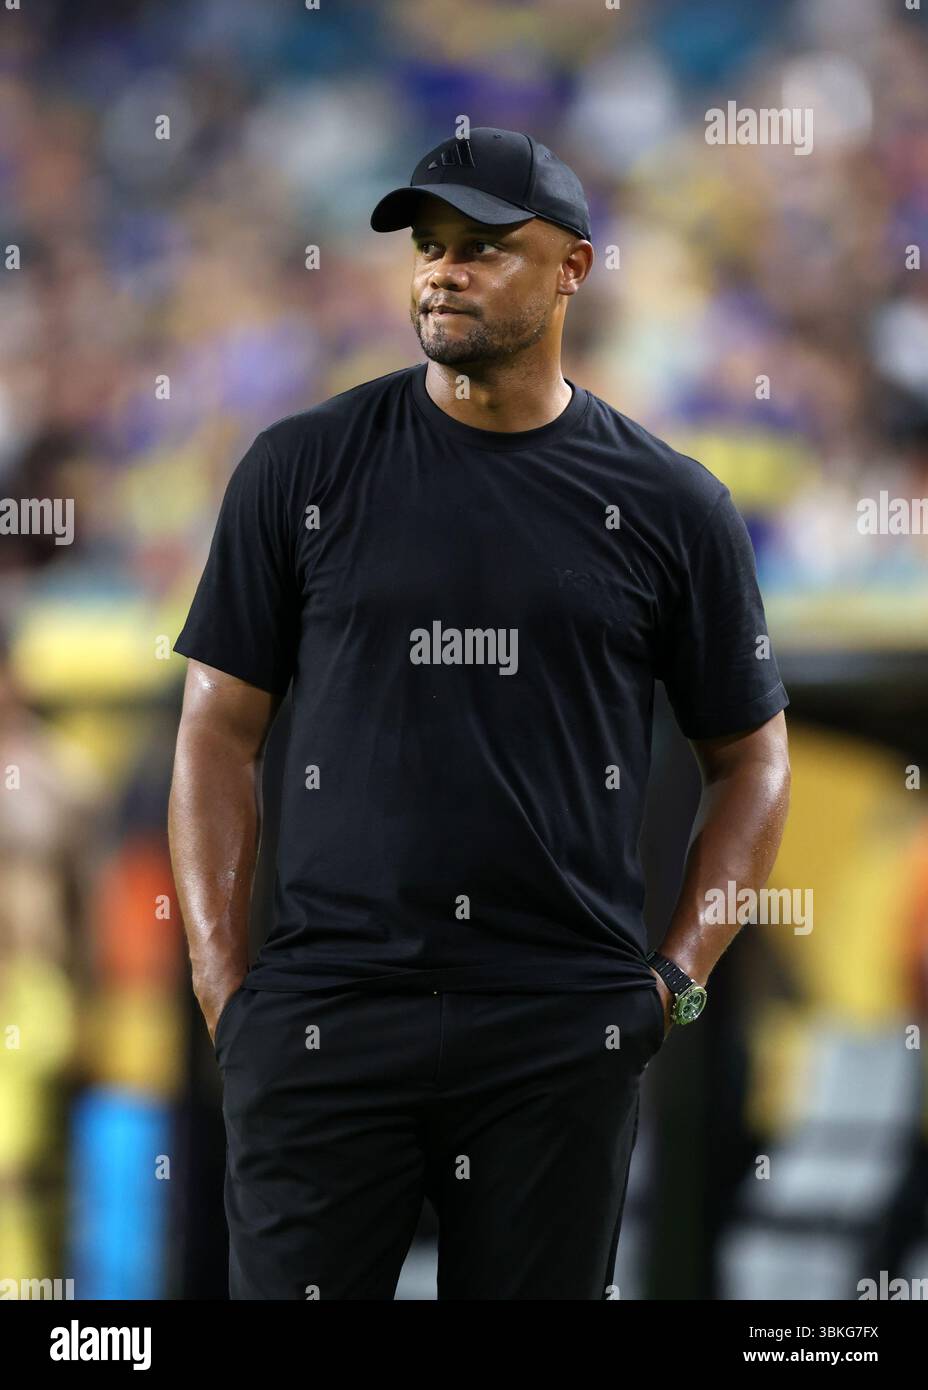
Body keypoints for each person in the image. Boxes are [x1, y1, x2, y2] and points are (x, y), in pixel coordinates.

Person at [168, 127, 791, 1300]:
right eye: (430, 246)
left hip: (559, 1030)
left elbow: (752, 761)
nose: (443, 271)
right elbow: (215, 728)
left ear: (574, 269)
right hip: (325, 1021)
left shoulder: (671, 505)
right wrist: (225, 989)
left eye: (485, 248)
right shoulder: (299, 469)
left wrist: (675, 982)